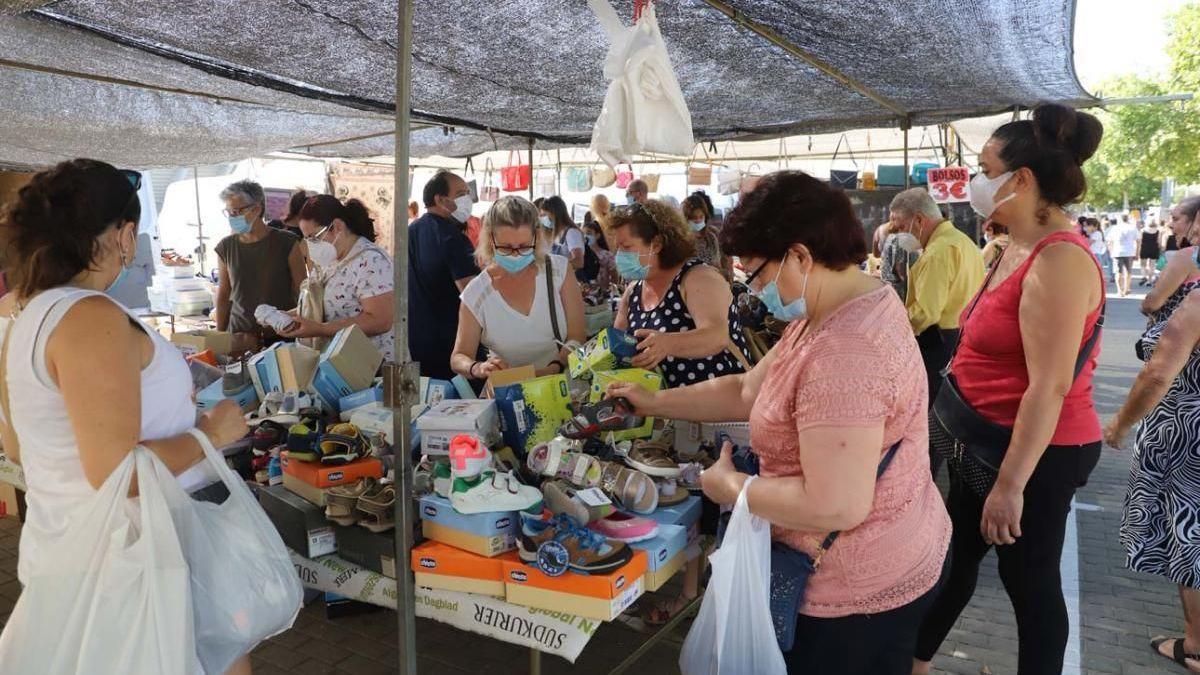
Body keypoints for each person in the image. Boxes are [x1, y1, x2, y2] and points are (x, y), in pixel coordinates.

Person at [609, 171, 951, 673]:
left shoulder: (844, 351)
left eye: (758, 275)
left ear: (799, 256)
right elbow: (748, 389)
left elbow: (835, 503)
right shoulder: (843, 304)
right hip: (896, 547)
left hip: (852, 593)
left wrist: (733, 488)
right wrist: (653, 401)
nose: (756, 291)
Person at [0, 159, 252, 674]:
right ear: (125, 234)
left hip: (78, 553)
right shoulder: (89, 318)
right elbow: (119, 473)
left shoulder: (21, 316)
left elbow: (19, 448)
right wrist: (211, 432)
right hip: (129, 560)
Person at [914, 104, 1106, 675]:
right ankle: (915, 661)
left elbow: (1049, 387)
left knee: (1029, 582)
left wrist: (1011, 485)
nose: (975, 180)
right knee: (955, 560)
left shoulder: (1061, 260)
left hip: (1035, 454)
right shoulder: (1008, 246)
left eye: (983, 167)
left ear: (1020, 180)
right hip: (985, 439)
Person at [1105, 289, 1200, 672]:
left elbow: (1158, 372)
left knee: (1190, 534)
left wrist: (1120, 423)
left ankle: (1195, 644)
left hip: (1188, 437)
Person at [611, 200, 749, 388]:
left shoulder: (697, 278)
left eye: (626, 247)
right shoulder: (632, 293)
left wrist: (666, 344)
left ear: (657, 244)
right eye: (618, 247)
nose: (619, 255)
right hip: (664, 409)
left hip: (715, 408)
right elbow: (616, 345)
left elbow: (716, 336)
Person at [451, 197, 586, 379]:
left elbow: (577, 336)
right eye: (506, 247)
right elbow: (459, 357)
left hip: (562, 387)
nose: (515, 254)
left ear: (536, 238)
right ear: (490, 240)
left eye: (523, 246)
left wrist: (553, 368)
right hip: (509, 394)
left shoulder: (559, 271)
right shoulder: (477, 292)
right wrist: (478, 368)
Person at [890, 187, 984, 403]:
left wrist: (892, 323)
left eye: (902, 227)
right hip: (963, 336)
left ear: (920, 220)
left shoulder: (937, 252)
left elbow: (925, 313)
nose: (899, 234)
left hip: (939, 342)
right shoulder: (963, 241)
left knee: (932, 407)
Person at [279, 195, 396, 361]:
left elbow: (380, 320)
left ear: (337, 226)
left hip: (371, 368)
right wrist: (289, 317)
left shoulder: (371, 261)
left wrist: (320, 329)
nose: (311, 244)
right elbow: (319, 304)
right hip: (336, 365)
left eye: (314, 237)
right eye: (307, 239)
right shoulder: (328, 260)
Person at [215, 180, 306, 351]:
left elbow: (303, 290)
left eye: (236, 211)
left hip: (281, 336)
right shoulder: (226, 247)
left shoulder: (287, 242)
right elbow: (224, 292)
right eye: (228, 212)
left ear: (256, 209)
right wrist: (220, 336)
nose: (232, 217)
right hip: (240, 336)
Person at [407, 170, 479, 380]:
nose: (467, 199)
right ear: (440, 199)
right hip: (452, 340)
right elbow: (472, 292)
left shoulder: (412, 231)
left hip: (417, 337)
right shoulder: (452, 238)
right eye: (460, 193)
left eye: (467, 192)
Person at [1141, 198, 1200, 318]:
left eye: (1175, 219)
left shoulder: (1187, 257)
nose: (1170, 225)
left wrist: (1144, 305)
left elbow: (1151, 304)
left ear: (1194, 221)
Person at [682, 192, 731, 279]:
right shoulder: (682, 240)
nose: (698, 220)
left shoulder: (711, 237)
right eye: (694, 218)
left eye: (701, 217)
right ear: (686, 218)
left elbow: (719, 264)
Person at [541, 195, 590, 275]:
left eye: (545, 215)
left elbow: (579, 262)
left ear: (554, 214)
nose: (543, 218)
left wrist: (554, 266)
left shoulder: (572, 233)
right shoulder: (557, 233)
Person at [878, 220, 921, 302]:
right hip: (896, 284)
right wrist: (907, 281)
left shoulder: (890, 237)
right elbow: (898, 265)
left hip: (888, 281)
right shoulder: (898, 239)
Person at [1107, 212, 1139, 297]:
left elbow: (1109, 241)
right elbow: (1138, 240)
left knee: (1118, 272)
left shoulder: (1115, 228)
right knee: (1128, 272)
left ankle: (1119, 291)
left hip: (1117, 252)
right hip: (1129, 252)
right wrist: (1137, 252)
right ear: (1127, 218)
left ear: (1120, 219)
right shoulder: (1132, 227)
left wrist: (1111, 252)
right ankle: (1126, 289)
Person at [1139, 218, 1164, 287]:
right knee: (1152, 265)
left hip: (1144, 248)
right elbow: (1159, 242)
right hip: (1154, 249)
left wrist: (1138, 250)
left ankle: (1144, 276)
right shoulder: (1158, 231)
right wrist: (1160, 249)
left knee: (1143, 265)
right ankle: (1149, 280)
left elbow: (1140, 241)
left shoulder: (1142, 230)